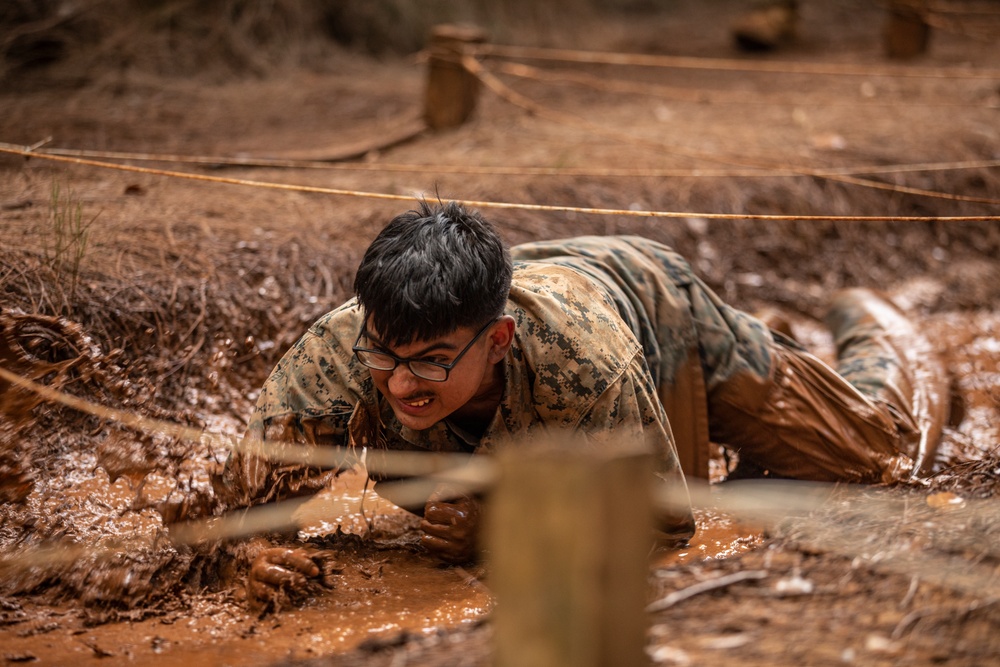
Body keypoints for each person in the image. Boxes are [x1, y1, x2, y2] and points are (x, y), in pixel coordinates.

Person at [221, 200, 947, 608]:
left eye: (432, 361)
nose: (402, 383)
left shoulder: (586, 366)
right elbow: (228, 512)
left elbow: (663, 531)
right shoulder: (333, 357)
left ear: (499, 340)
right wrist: (246, 555)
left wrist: (502, 531)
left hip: (658, 313)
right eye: (386, 355)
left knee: (880, 454)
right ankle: (780, 348)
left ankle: (870, 321)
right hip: (540, 314)